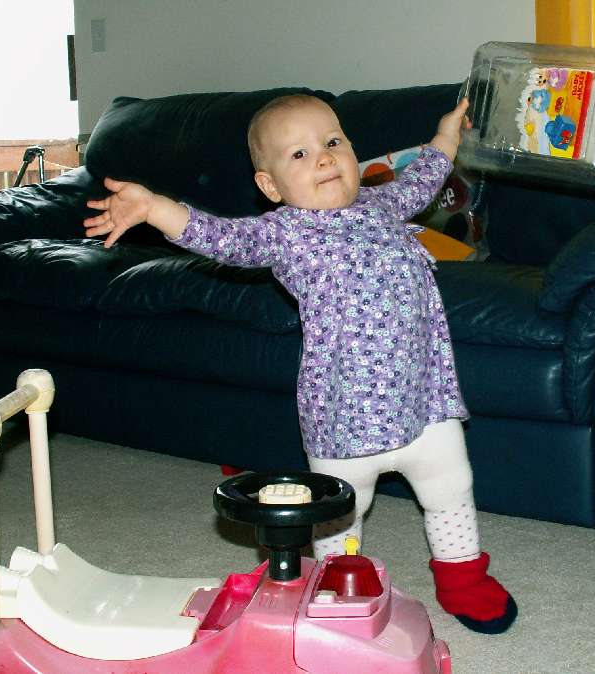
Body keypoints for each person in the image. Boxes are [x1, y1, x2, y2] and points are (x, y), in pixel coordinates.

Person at [84, 94, 516, 633]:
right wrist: (153, 208)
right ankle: (334, 585)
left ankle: (462, 578)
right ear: (270, 187)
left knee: (450, 486)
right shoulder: (284, 232)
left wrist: (448, 134)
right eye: (299, 154)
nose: (324, 157)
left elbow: (424, 178)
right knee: (338, 513)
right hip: (345, 415)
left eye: (333, 142)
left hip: (425, 397)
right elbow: (219, 237)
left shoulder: (381, 204)